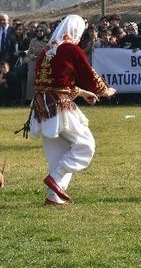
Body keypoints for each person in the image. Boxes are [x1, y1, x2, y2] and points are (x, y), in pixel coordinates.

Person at [16, 14, 116, 205]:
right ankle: (55, 177)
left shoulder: (47, 50)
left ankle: (53, 197)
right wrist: (105, 91)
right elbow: (89, 74)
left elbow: (56, 82)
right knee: (85, 145)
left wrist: (83, 93)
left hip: (41, 108)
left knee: (57, 154)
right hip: (59, 106)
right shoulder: (71, 49)